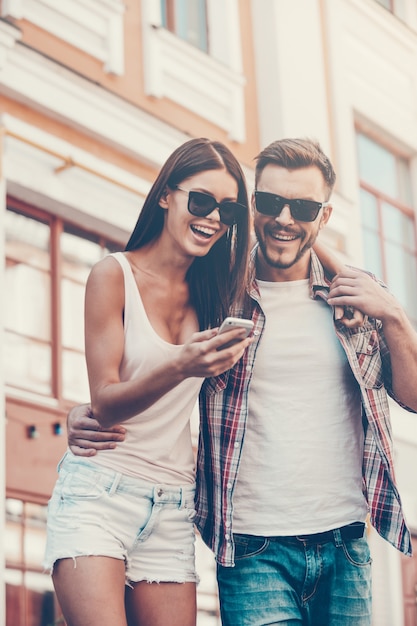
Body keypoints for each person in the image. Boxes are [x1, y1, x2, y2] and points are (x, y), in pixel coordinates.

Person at [66, 138, 417, 626]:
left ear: (325, 214)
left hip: (345, 541)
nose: (285, 219)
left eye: (304, 207)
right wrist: (87, 409)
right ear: (253, 207)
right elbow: (149, 356)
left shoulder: (353, 298)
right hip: (253, 548)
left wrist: (395, 314)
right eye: (271, 203)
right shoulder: (221, 291)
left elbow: (413, 396)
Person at [43, 137, 255, 626]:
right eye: (200, 201)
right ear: (166, 195)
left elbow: (293, 245)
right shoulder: (112, 275)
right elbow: (108, 403)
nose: (213, 219)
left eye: (228, 211)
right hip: (100, 491)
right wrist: (183, 364)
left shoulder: (221, 295)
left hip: (173, 506)